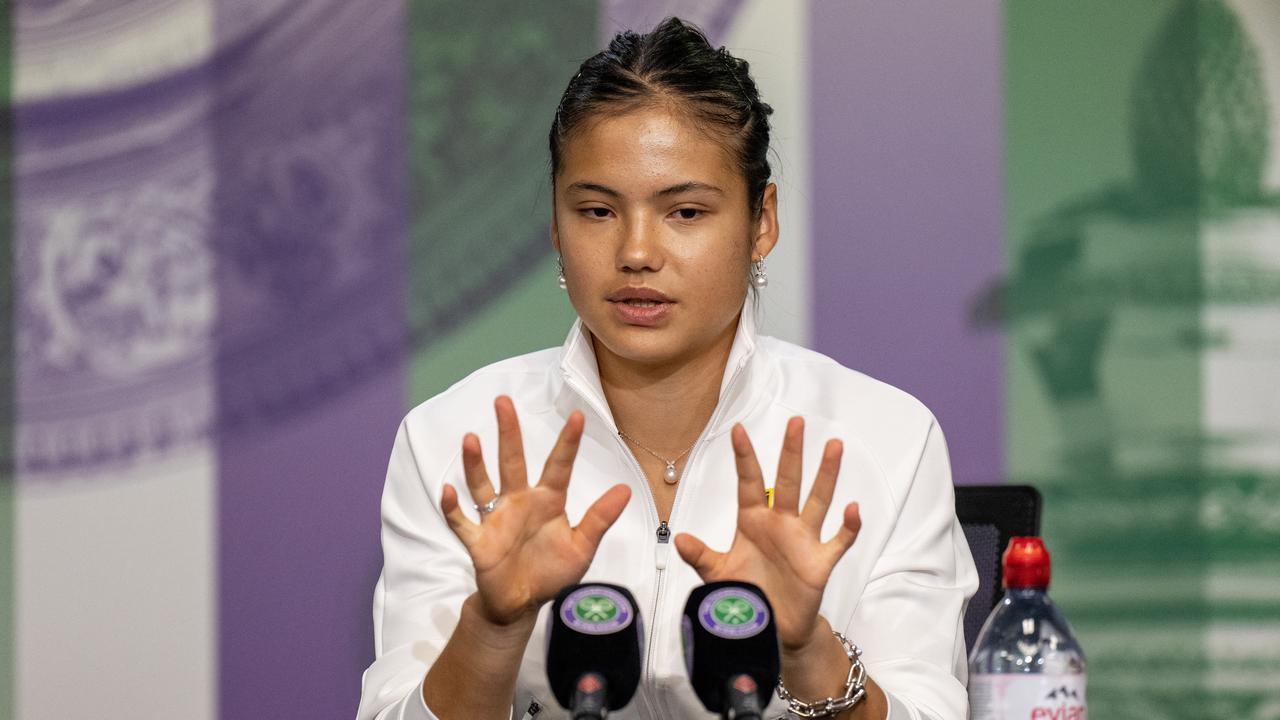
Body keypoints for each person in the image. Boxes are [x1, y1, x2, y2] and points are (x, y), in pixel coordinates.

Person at [356, 17, 977, 720]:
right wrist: (493, 626)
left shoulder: (886, 439)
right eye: (596, 210)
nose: (637, 252)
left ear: (761, 221)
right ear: (555, 228)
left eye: (684, 211)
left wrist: (804, 646)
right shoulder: (454, 441)